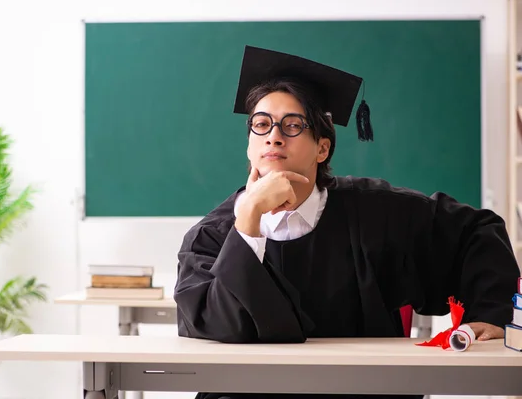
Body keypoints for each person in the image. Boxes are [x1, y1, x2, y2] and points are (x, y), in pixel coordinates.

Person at [173, 45, 521, 399]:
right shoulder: (210, 236)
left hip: (364, 392)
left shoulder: (377, 213)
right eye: (261, 125)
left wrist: (489, 313)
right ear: (250, 143)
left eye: (292, 125)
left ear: (323, 148)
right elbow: (216, 327)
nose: (273, 136)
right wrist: (248, 220)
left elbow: (477, 231)